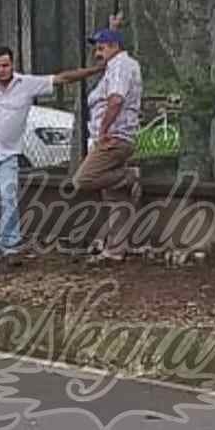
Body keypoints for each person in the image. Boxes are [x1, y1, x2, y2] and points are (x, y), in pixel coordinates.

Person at [0, 47, 105, 266]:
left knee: (8, 196)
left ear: (12, 64)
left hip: (8, 152)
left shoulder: (26, 84)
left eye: (5, 65)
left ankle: (10, 246)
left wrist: (93, 70)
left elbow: (61, 78)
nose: (1, 70)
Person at [72, 26, 143, 264]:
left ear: (115, 47)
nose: (97, 53)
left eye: (101, 48)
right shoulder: (118, 65)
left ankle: (129, 176)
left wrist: (103, 130)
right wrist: (113, 26)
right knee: (116, 198)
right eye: (96, 48)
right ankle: (116, 249)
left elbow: (116, 100)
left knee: (84, 179)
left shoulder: (121, 66)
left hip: (113, 138)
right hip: (116, 136)